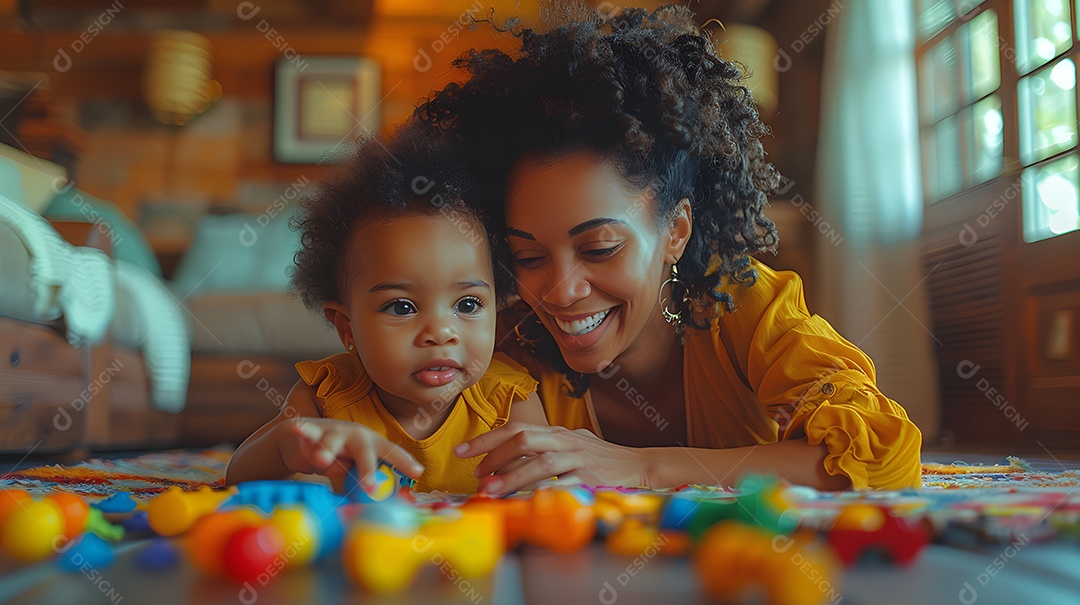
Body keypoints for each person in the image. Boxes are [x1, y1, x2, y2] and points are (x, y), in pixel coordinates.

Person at [412, 3, 922, 494]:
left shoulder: (743, 306)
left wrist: (646, 467)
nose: (561, 292)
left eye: (600, 248)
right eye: (529, 258)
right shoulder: (506, 344)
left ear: (676, 231)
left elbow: (885, 456)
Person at [225, 128, 547, 493]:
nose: (441, 333)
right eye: (402, 307)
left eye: (467, 304)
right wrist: (286, 445)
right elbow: (238, 479)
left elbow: (546, 497)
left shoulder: (508, 401)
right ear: (347, 328)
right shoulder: (327, 397)